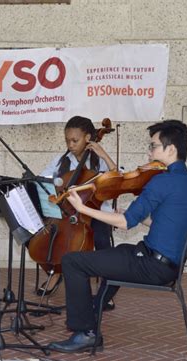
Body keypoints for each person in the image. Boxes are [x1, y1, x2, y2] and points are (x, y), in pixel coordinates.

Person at [47, 119, 187, 353]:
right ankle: (94, 309)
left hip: (151, 265)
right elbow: (163, 222)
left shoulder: (162, 181)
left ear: (171, 149)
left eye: (153, 146)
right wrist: (134, 215)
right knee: (114, 255)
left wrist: (83, 208)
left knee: (72, 261)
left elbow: (126, 224)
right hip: (165, 264)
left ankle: (86, 333)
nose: (149, 153)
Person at [37, 116, 117, 309]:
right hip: (68, 214)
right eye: (67, 141)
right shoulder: (61, 161)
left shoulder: (99, 161)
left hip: (96, 214)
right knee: (48, 239)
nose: (70, 145)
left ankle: (105, 288)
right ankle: (56, 272)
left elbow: (117, 180)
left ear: (88, 137)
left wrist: (105, 156)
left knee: (102, 243)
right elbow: (43, 180)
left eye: (75, 140)